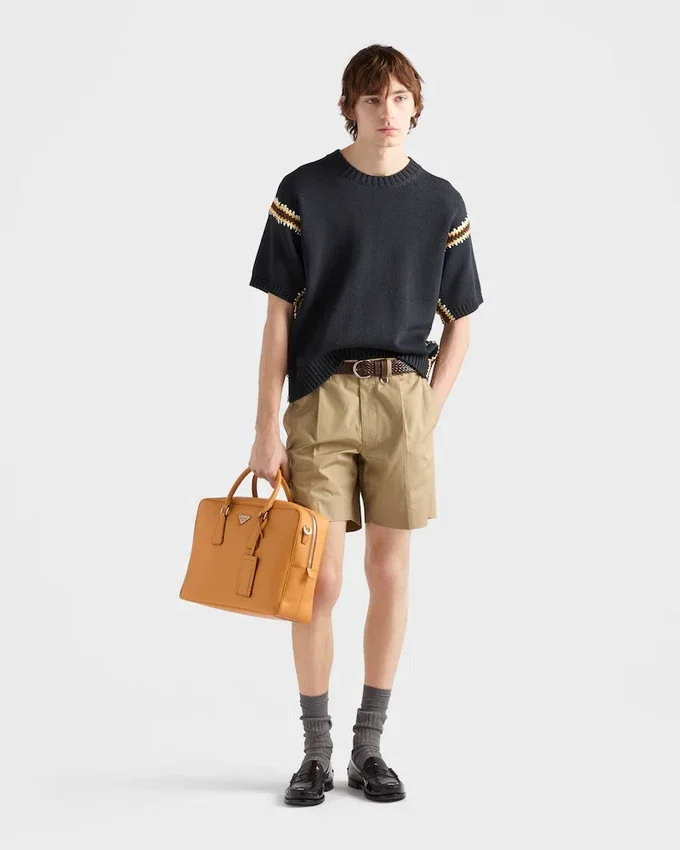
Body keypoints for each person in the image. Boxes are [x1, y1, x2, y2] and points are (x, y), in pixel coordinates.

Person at [246, 44, 484, 805]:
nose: (388, 112)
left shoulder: (441, 202)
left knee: (390, 571)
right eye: (373, 99)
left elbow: (462, 322)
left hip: (402, 399)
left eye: (400, 97)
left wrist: (427, 412)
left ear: (417, 106)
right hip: (321, 399)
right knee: (317, 580)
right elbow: (278, 318)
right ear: (350, 106)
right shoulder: (305, 190)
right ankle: (315, 751)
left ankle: (369, 748)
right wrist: (265, 428)